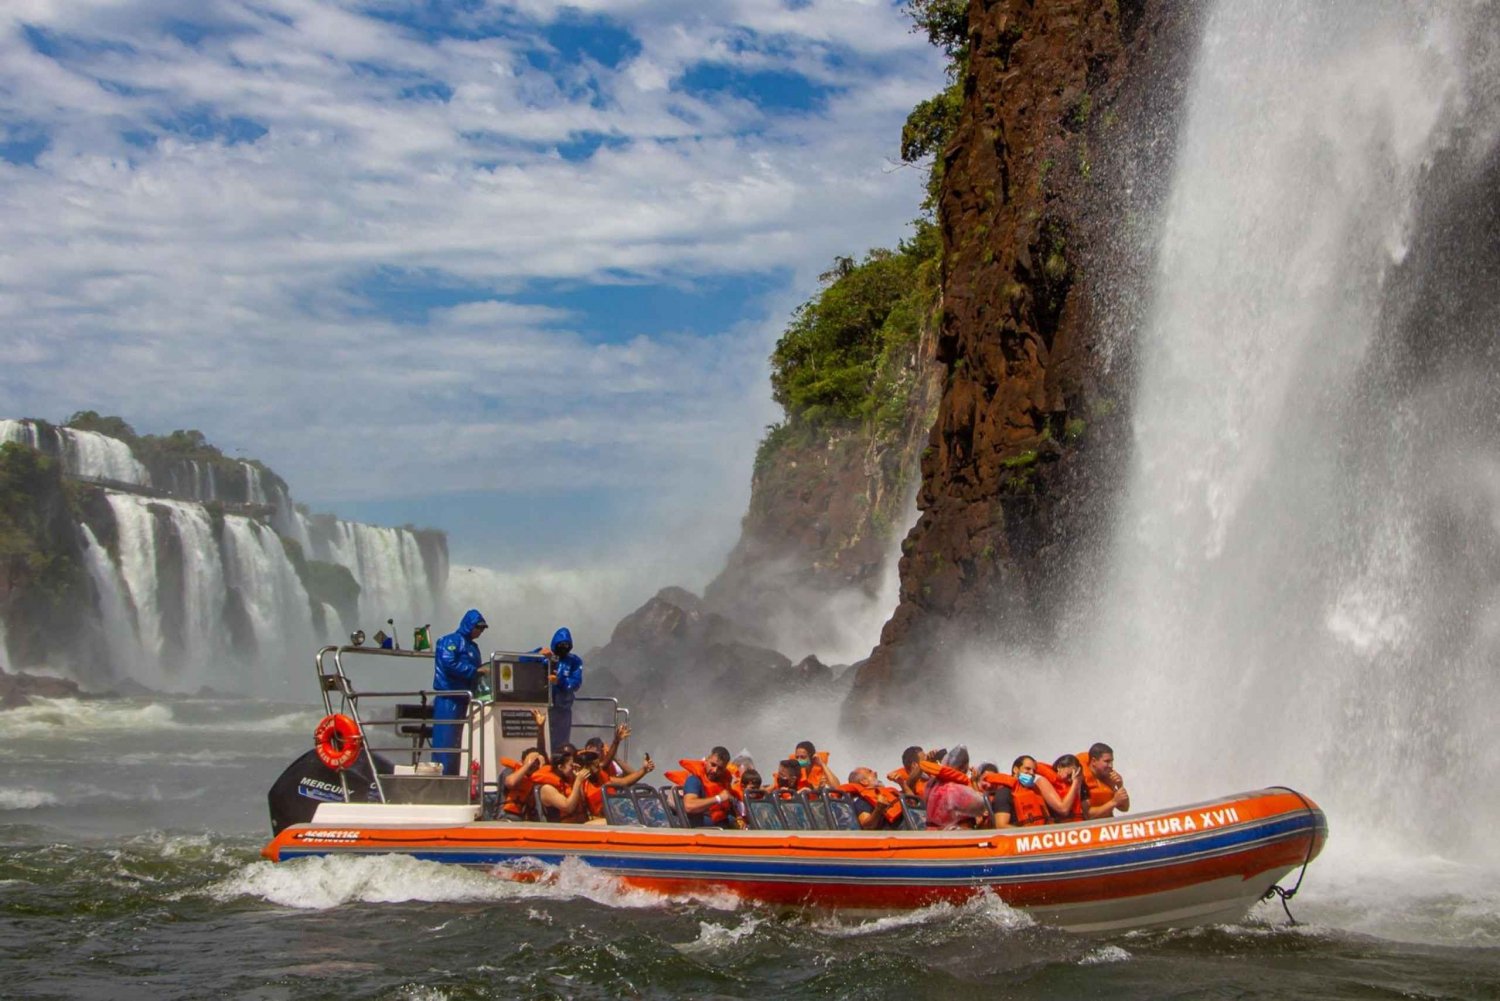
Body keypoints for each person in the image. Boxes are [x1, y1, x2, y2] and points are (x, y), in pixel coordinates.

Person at [431, 609, 488, 775]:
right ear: (469, 625)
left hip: (466, 698)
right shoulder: (449, 641)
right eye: (478, 627)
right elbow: (448, 663)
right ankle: (443, 779)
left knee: (461, 742)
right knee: (446, 742)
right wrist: (474, 671)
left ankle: (458, 775)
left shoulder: (473, 647)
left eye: (483, 628)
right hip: (449, 697)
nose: (480, 631)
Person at [536, 627, 583, 749]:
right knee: (542, 738)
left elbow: (576, 683)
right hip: (543, 706)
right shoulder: (544, 656)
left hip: (563, 708)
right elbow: (521, 660)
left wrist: (559, 681)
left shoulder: (574, 661)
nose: (563, 647)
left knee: (561, 744)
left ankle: (558, 763)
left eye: (567, 645)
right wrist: (537, 653)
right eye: (561, 644)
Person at [923, 746, 989, 830]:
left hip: (931, 831)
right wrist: (975, 783)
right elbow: (982, 807)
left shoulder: (931, 784)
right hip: (952, 835)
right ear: (963, 768)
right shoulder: (955, 789)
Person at [675, 746, 738, 828]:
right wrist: (718, 798)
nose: (715, 770)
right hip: (705, 830)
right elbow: (689, 806)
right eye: (713, 765)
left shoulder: (724, 781)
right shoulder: (694, 780)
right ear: (707, 760)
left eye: (720, 768)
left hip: (724, 825)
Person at [988, 756, 1051, 828]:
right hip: (1019, 836)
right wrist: (1028, 833)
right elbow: (1001, 826)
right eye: (1027, 769)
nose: (1031, 773)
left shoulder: (1035, 791)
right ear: (1015, 770)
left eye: (1034, 771)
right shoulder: (1004, 793)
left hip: (1040, 834)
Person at [1079, 742, 1130, 818]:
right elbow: (1087, 814)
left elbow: (1125, 808)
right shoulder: (1081, 781)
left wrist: (1119, 786)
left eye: (1112, 761)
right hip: (1091, 826)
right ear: (1094, 761)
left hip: (1108, 824)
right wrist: (1114, 802)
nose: (1111, 765)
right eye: (1107, 761)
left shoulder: (1109, 777)